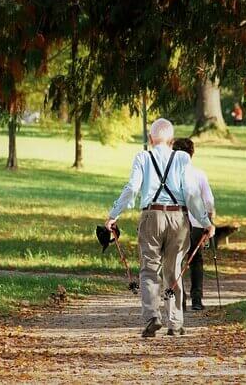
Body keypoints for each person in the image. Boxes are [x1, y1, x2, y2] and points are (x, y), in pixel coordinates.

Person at [105, 118, 215, 338]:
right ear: (172, 140)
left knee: (149, 269)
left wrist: (113, 215)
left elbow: (132, 188)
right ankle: (175, 323)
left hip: (151, 216)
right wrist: (205, 222)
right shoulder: (182, 158)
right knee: (174, 269)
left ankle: (152, 316)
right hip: (178, 217)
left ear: (150, 139)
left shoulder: (142, 157)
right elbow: (192, 195)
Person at [172, 138, 215, 311]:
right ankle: (197, 299)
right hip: (197, 223)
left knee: (176, 260)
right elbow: (209, 201)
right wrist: (209, 222)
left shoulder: (171, 175)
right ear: (192, 154)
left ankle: (179, 300)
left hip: (176, 222)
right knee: (196, 260)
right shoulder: (199, 174)